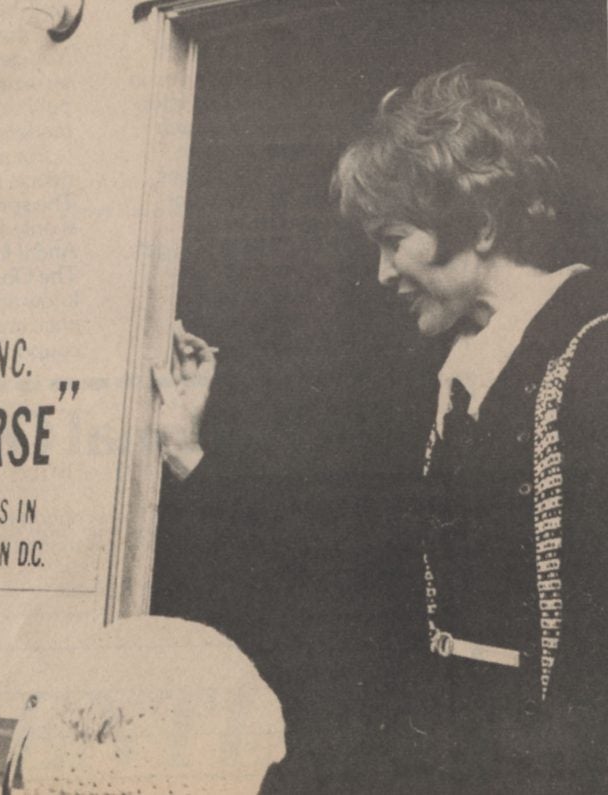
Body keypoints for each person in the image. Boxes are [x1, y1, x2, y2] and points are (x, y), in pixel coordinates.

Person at [154, 65, 608, 792]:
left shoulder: (591, 363)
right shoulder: (451, 386)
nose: (381, 272)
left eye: (395, 239)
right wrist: (186, 452)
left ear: (482, 223)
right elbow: (342, 577)